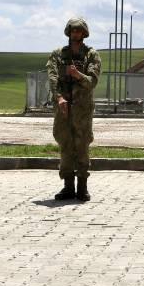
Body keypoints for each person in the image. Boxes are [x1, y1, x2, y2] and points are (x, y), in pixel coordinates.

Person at [47, 17, 101, 202]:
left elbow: (92, 81)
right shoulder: (58, 54)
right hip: (63, 108)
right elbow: (53, 77)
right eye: (73, 31)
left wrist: (77, 74)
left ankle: (82, 187)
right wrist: (59, 97)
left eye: (79, 31)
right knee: (65, 144)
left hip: (82, 109)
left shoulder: (91, 55)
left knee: (82, 145)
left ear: (84, 33)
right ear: (68, 32)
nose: (75, 34)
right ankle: (68, 186)